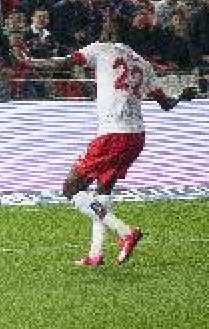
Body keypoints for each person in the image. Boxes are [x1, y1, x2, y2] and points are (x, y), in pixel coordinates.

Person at [23, 36, 197, 266]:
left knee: (71, 188)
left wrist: (30, 62)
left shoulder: (101, 49)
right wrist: (182, 97)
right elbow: (166, 104)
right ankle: (95, 254)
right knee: (103, 192)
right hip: (137, 136)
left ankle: (125, 232)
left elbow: (63, 63)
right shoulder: (143, 63)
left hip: (113, 133)